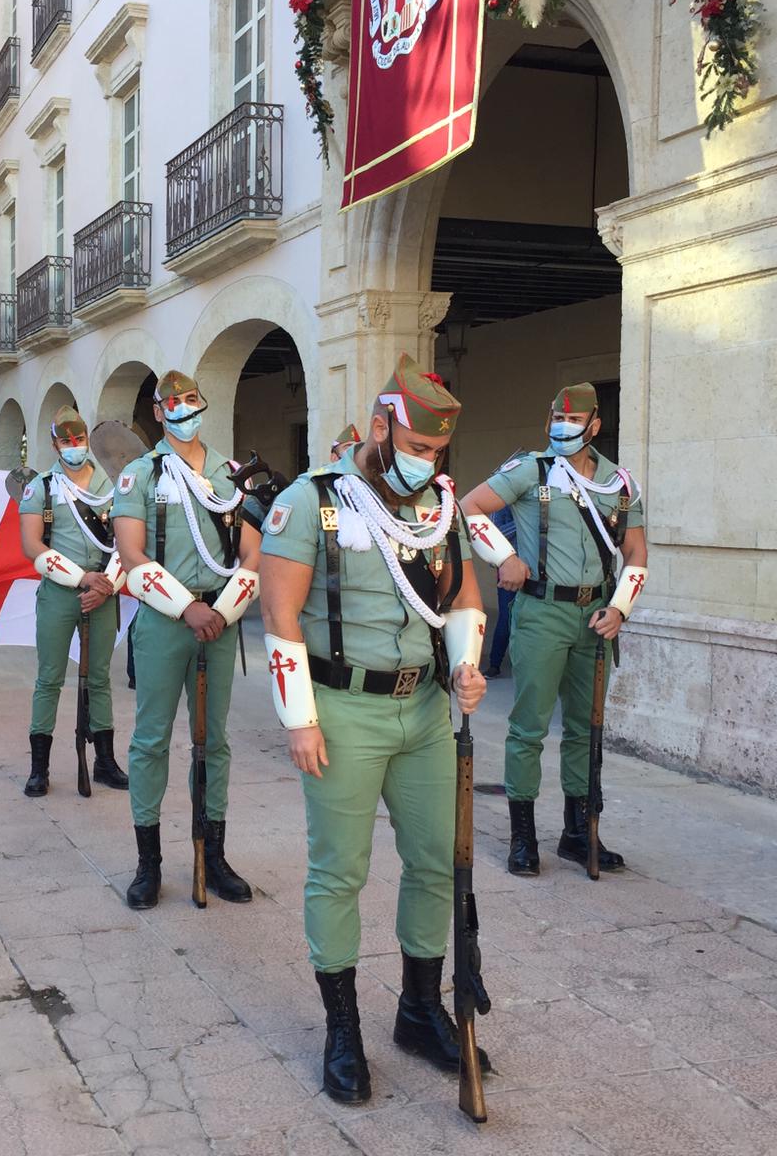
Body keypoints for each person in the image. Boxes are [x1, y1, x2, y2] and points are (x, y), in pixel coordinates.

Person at [259, 353, 490, 1103]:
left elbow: (460, 597)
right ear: (386, 424)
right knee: (340, 871)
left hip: (424, 709)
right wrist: (299, 720)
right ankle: (342, 1031)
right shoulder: (314, 499)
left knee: (434, 862)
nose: (427, 464)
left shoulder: (439, 507)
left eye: (437, 453)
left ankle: (419, 1013)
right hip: (344, 709)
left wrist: (466, 663)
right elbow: (279, 614)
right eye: (417, 448)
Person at [459, 382, 649, 877]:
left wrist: (622, 608)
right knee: (529, 728)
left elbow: (635, 552)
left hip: (597, 617)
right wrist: (506, 556)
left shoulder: (618, 484)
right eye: (557, 419)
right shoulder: (530, 469)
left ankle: (578, 833)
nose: (563, 428)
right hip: (542, 610)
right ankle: (523, 839)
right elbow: (470, 507)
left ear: (595, 425)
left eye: (574, 420)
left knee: (587, 730)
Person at [113, 369, 261, 909]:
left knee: (213, 741)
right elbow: (132, 555)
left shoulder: (231, 475)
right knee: (151, 740)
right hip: (164, 617)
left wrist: (220, 610)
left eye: (190, 399)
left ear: (203, 404)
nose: (181, 408)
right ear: (157, 412)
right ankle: (147, 862)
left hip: (219, 619)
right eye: (170, 402)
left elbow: (253, 552)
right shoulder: (140, 475)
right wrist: (188, 608)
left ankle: (213, 854)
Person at [17, 405, 129, 796]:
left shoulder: (113, 485)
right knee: (49, 679)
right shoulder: (41, 487)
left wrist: (105, 586)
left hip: (103, 595)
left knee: (99, 678)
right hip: (59, 595)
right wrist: (82, 579)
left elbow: (128, 541)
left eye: (79, 440)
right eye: (66, 441)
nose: (74, 447)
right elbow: (31, 545)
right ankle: (39, 768)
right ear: (55, 444)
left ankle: (105, 762)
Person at [482, 503, 517, 678]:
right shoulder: (503, 501)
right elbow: (494, 535)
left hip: (537, 570)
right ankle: (495, 664)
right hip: (509, 570)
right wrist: (522, 524)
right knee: (506, 617)